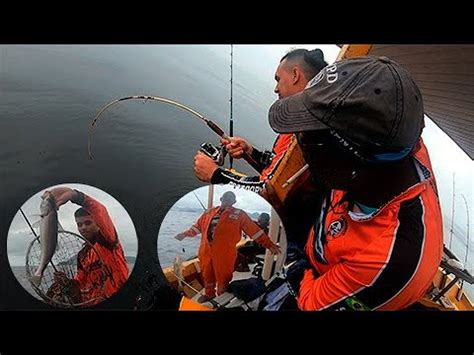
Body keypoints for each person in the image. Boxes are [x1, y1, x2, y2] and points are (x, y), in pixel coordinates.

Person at [268, 56, 443, 310]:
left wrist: (292, 258)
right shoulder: (391, 147)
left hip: (316, 283)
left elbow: (310, 303)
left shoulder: (389, 258)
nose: (300, 143)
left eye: (307, 137)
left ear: (347, 156)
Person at [193, 48, 328, 191]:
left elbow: (269, 190)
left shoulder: (308, 132)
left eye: (278, 80)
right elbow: (279, 171)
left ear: (295, 75)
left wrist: (216, 175)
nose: (276, 89)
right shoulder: (310, 120)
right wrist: (250, 152)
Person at [175, 191, 281, 302]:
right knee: (207, 274)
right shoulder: (209, 212)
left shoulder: (239, 214)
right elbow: (196, 228)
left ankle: (221, 296)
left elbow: (255, 232)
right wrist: (184, 234)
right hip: (205, 251)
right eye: (225, 196)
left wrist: (270, 245)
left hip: (225, 253)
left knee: (223, 277)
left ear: (234, 202)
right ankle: (209, 294)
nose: (227, 198)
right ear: (221, 198)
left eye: (231, 197)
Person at [47, 187, 129, 305]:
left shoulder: (107, 241)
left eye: (88, 223)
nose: (83, 227)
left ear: (98, 224)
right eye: (79, 224)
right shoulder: (82, 255)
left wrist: (75, 195)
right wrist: (66, 281)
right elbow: (80, 282)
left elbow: (101, 210)